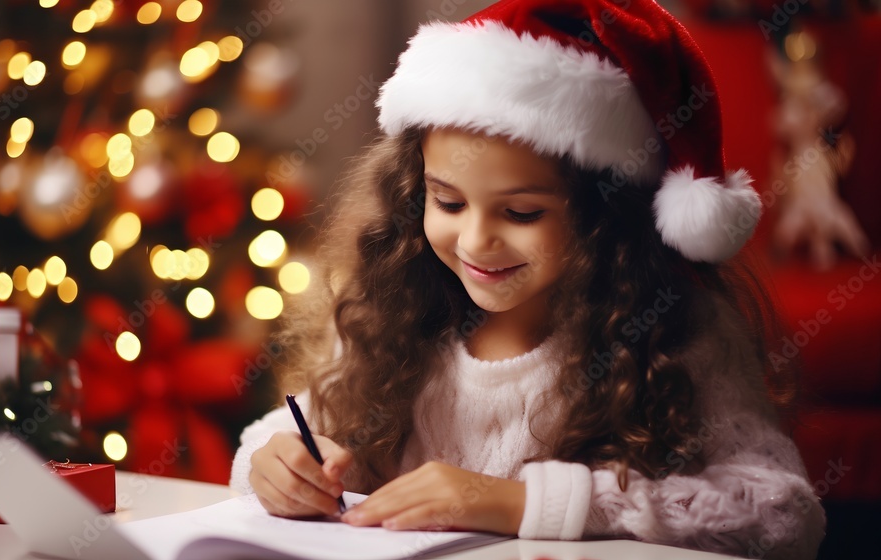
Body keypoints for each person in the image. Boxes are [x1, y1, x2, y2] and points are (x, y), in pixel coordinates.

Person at [229, 1, 827, 558]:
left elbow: (783, 513)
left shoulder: (677, 331)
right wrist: (276, 466)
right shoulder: (398, 308)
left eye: (521, 213)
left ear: (608, 218)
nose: (474, 242)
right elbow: (288, 431)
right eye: (448, 202)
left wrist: (526, 504)